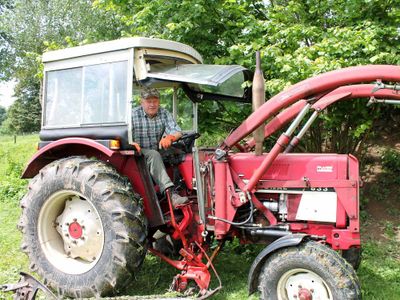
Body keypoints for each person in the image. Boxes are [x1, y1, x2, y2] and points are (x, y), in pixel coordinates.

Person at [131, 87, 189, 208]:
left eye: (155, 101)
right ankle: (171, 194)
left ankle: (185, 187)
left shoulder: (163, 113)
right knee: (153, 154)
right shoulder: (132, 114)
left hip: (155, 150)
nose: (152, 104)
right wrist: (129, 142)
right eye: (148, 101)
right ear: (141, 102)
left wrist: (170, 137)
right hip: (136, 152)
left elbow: (178, 131)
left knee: (179, 152)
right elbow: (121, 133)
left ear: (159, 101)